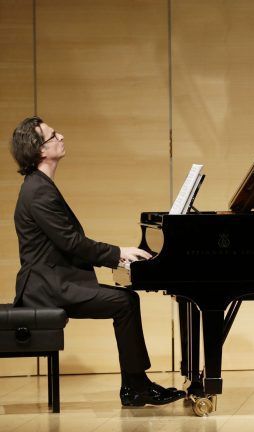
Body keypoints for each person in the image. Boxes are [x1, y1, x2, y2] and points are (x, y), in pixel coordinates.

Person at [10, 116, 186, 407]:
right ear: (40, 149)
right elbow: (72, 242)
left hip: (51, 282)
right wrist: (119, 253)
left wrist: (116, 255)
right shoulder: (38, 190)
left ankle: (134, 387)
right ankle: (136, 387)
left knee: (125, 301)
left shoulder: (39, 185)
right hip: (47, 288)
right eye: (53, 135)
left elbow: (70, 242)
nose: (61, 136)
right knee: (125, 302)